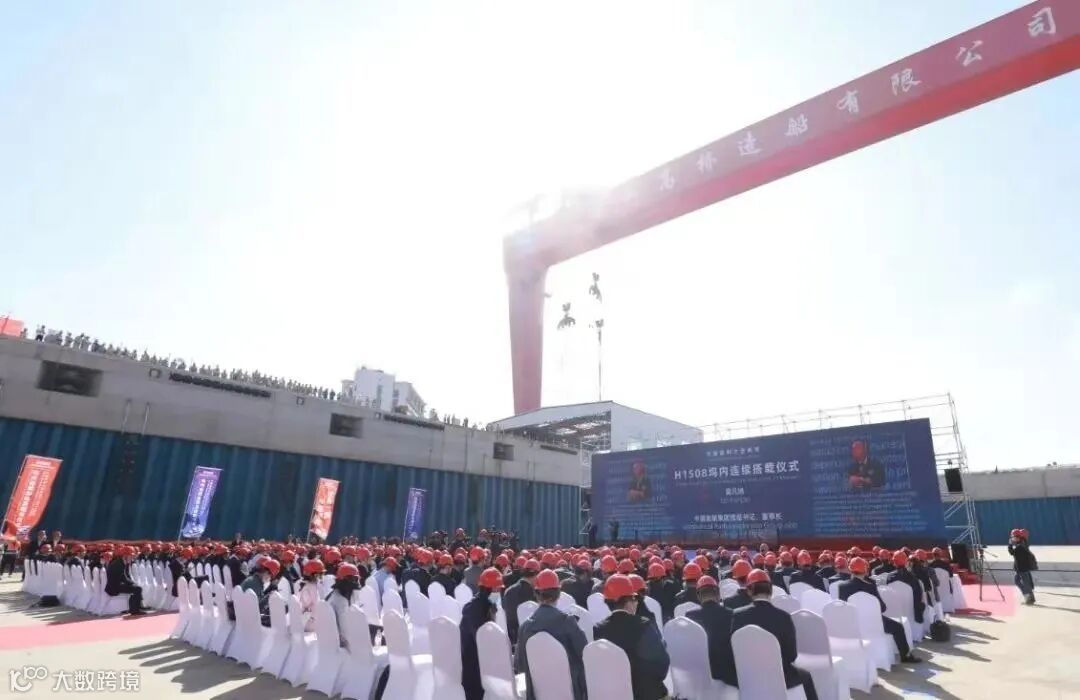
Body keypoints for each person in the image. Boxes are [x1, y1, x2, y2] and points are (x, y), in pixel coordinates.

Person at [731, 570, 819, 700]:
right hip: (781, 675)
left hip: (748, 676)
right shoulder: (783, 617)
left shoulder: (737, 616)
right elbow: (792, 655)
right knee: (806, 676)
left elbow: (734, 648)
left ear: (749, 591)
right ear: (771, 590)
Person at [593, 574, 670, 700]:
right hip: (645, 694)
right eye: (634, 598)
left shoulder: (598, 629)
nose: (636, 602)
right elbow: (662, 665)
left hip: (614, 694)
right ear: (628, 601)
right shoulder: (643, 625)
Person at [515, 570, 588, 700]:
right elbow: (585, 654)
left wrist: (522, 696)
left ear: (536, 594)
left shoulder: (525, 627)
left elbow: (519, 667)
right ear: (558, 594)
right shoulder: (568, 622)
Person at [839, 557, 922, 663]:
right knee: (898, 627)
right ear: (865, 570)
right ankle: (906, 656)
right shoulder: (870, 586)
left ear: (850, 569)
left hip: (854, 623)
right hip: (873, 622)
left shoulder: (842, 586)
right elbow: (882, 608)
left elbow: (844, 607)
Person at [685, 575, 737, 687]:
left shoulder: (690, 616)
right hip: (727, 675)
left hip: (700, 676)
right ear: (718, 593)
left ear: (698, 596)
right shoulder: (731, 614)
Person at [460, 567, 504, 700]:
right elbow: (482, 640)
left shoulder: (486, 604)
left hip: (483, 662)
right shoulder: (474, 609)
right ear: (490, 589)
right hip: (473, 666)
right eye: (497, 589)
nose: (499, 592)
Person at [503, 558, 541, 644]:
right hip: (529, 639)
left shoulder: (508, 590)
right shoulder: (534, 594)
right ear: (536, 575)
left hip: (511, 637)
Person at [885, 551, 926, 625]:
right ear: (906, 562)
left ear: (894, 562)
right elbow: (918, 596)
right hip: (911, 611)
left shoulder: (890, 577)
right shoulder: (913, 577)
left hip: (896, 611)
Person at [105, 545, 147, 616]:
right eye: (130, 556)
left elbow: (125, 577)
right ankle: (135, 610)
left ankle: (134, 608)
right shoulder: (118, 564)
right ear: (125, 556)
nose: (132, 557)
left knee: (136, 588)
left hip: (117, 584)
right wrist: (133, 583)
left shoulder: (121, 562)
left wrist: (132, 583)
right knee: (138, 589)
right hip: (113, 587)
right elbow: (124, 578)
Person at [327, 563, 361, 646]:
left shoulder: (345, 595)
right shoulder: (339, 601)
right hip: (341, 644)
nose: (357, 582)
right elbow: (345, 630)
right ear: (348, 579)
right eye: (355, 579)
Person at [1008, 528, 1037, 605]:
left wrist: (1010, 545)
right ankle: (1031, 598)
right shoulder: (1022, 543)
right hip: (1023, 568)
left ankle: (1028, 597)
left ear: (1018, 537)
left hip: (1021, 568)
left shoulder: (1020, 546)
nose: (1012, 539)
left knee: (1020, 582)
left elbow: (1011, 552)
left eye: (1013, 537)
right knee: (1025, 582)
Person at [296, 559, 325, 632]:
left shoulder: (308, 585)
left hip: (312, 621)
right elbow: (306, 607)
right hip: (309, 624)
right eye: (320, 574)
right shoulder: (309, 588)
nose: (321, 577)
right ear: (314, 575)